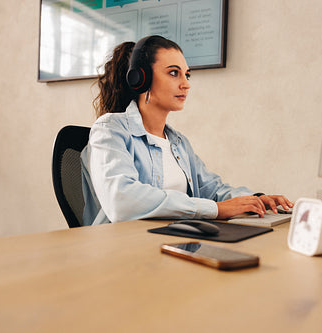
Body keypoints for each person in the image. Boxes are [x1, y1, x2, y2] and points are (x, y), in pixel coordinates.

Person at [81, 35, 293, 226]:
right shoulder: (110, 129)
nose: (186, 84)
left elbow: (213, 189)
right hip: (122, 249)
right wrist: (215, 210)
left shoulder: (178, 142)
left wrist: (255, 200)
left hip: (170, 241)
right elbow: (121, 200)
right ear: (141, 78)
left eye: (187, 75)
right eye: (174, 73)